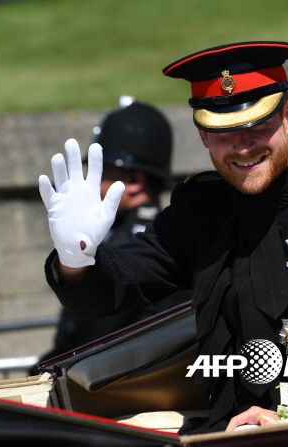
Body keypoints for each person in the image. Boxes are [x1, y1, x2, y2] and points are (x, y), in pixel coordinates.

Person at [37, 41, 288, 432]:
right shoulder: (198, 214)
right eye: (223, 132)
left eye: (257, 125)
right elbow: (111, 290)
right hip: (217, 433)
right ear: (203, 135)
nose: (243, 146)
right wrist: (76, 257)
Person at [34, 98, 191, 368]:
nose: (92, 184)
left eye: (101, 172)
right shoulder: (121, 230)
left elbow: (91, 336)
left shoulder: (143, 240)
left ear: (133, 182)